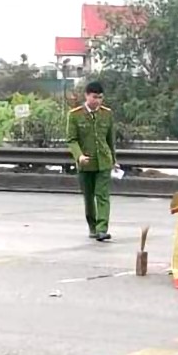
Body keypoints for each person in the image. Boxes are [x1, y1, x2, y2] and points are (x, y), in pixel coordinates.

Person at [66, 80, 117, 241]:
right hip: (85, 163)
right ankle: (93, 226)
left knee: (103, 196)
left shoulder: (107, 114)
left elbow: (110, 139)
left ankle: (102, 228)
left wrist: (113, 160)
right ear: (87, 96)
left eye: (100, 97)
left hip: (104, 161)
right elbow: (72, 140)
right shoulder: (75, 115)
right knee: (89, 197)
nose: (97, 101)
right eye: (94, 97)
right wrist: (79, 156)